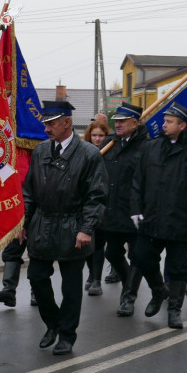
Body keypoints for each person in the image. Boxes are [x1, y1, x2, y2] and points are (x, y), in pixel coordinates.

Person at [21, 100, 106, 355]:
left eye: (51, 124)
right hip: (43, 224)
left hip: (73, 226)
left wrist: (86, 228)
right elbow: (29, 191)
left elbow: (97, 196)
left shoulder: (89, 154)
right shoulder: (40, 151)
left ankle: (67, 335)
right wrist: (24, 223)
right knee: (36, 276)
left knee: (70, 286)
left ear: (66, 123)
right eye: (45, 124)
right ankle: (53, 323)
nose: (46, 129)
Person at [130, 102, 187, 329]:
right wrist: (135, 209)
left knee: (178, 266)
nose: (164, 124)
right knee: (140, 257)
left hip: (182, 220)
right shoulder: (151, 147)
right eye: (165, 120)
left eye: (169, 121)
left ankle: (175, 310)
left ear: (182, 125)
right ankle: (159, 291)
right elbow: (138, 181)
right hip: (152, 217)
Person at [95, 103, 157, 317]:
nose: (117, 124)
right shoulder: (111, 144)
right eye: (116, 120)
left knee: (139, 256)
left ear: (135, 123)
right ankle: (136, 283)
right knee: (112, 252)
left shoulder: (147, 147)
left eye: (122, 121)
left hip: (137, 212)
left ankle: (129, 297)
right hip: (113, 210)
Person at [83, 119, 111, 296]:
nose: (97, 139)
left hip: (102, 203)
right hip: (85, 204)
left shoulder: (110, 152)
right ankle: (92, 273)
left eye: (101, 135)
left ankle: (96, 280)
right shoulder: (84, 152)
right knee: (86, 244)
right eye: (94, 135)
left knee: (99, 244)